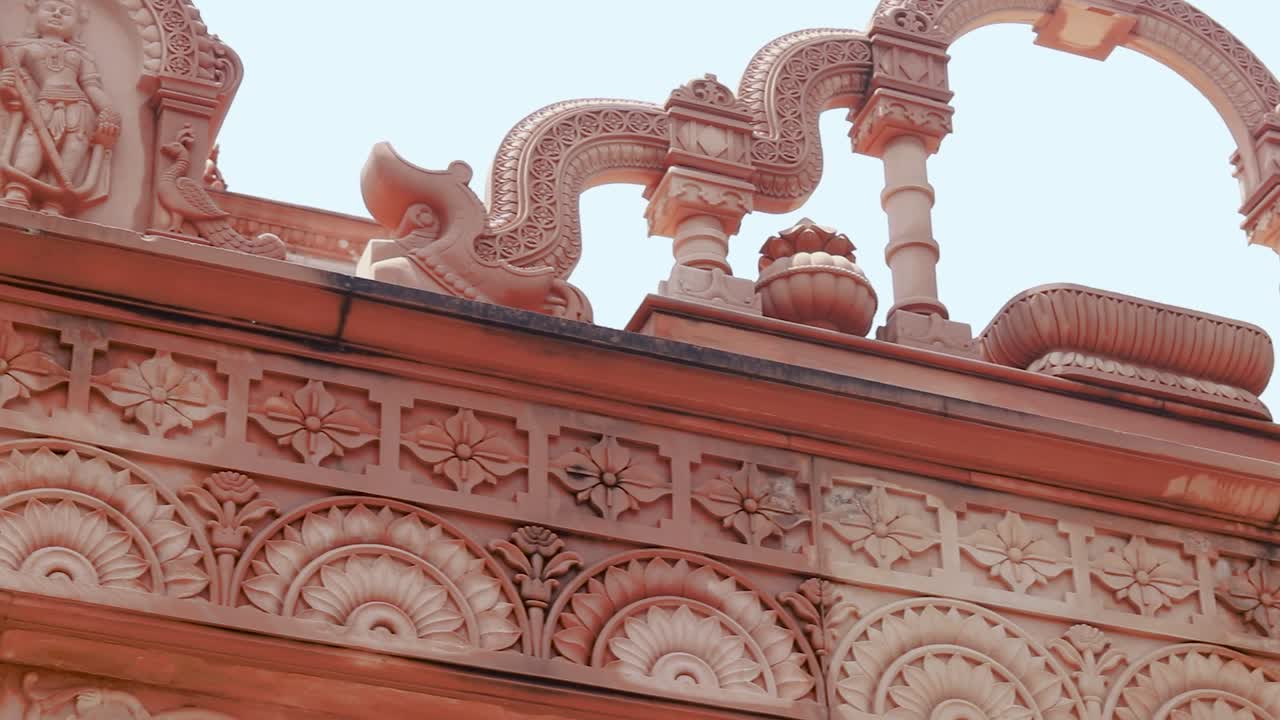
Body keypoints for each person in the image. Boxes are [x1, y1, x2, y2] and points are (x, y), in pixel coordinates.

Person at [0, 0, 119, 213]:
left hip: (80, 109)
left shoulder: (82, 56)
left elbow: (92, 87)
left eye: (65, 12)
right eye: (50, 9)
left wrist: (108, 111)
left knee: (72, 152)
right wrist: (5, 84)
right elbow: (14, 78)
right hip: (42, 105)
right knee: (31, 147)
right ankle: (18, 190)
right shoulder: (19, 47)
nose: (57, 14)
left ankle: (54, 202)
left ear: (77, 23)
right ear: (35, 13)